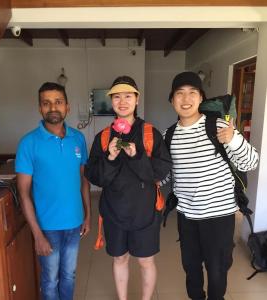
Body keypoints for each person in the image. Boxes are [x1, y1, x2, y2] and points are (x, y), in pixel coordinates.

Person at [164, 71, 259, 300]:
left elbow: (252, 162)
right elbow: (166, 175)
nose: (186, 99)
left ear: (201, 98)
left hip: (219, 216)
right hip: (187, 216)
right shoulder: (168, 135)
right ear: (172, 100)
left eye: (192, 93)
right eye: (180, 94)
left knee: (217, 271)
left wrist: (234, 139)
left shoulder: (218, 126)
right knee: (191, 268)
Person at [85, 76, 171, 300]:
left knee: (145, 261)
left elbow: (160, 172)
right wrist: (111, 157)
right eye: (117, 96)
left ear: (137, 99)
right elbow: (94, 176)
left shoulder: (151, 134)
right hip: (114, 211)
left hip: (146, 211)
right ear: (111, 101)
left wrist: (136, 156)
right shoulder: (102, 137)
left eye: (128, 96)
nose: (122, 101)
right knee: (120, 258)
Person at [15, 82, 91, 300]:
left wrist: (88, 215)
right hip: (47, 227)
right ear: (40, 108)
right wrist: (37, 234)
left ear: (67, 106)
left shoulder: (78, 138)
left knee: (69, 275)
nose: (52, 108)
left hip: (75, 223)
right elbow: (23, 193)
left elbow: (83, 180)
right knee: (50, 279)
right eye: (46, 103)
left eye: (58, 102)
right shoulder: (28, 143)